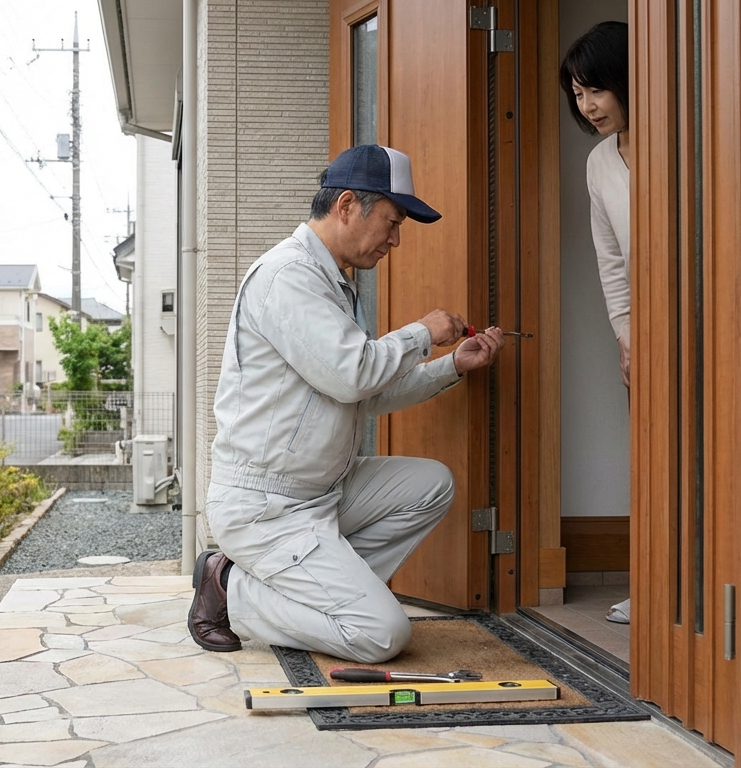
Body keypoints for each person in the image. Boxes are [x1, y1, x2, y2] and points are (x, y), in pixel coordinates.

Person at [187, 144, 506, 663]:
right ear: (347, 206)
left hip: (321, 491)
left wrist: (454, 365)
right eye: (392, 221)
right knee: (381, 636)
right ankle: (232, 588)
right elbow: (354, 373)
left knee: (431, 484)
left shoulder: (336, 283)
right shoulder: (288, 276)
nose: (396, 240)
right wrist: (423, 334)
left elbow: (363, 392)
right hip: (267, 505)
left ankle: (320, 594)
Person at [560, 20, 632, 625]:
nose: (587, 106)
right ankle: (657, 583)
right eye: (578, 94)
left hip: (708, 313)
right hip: (646, 324)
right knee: (655, 452)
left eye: (595, 90)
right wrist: (627, 335)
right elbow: (611, 260)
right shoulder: (598, 162)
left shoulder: (679, 137)